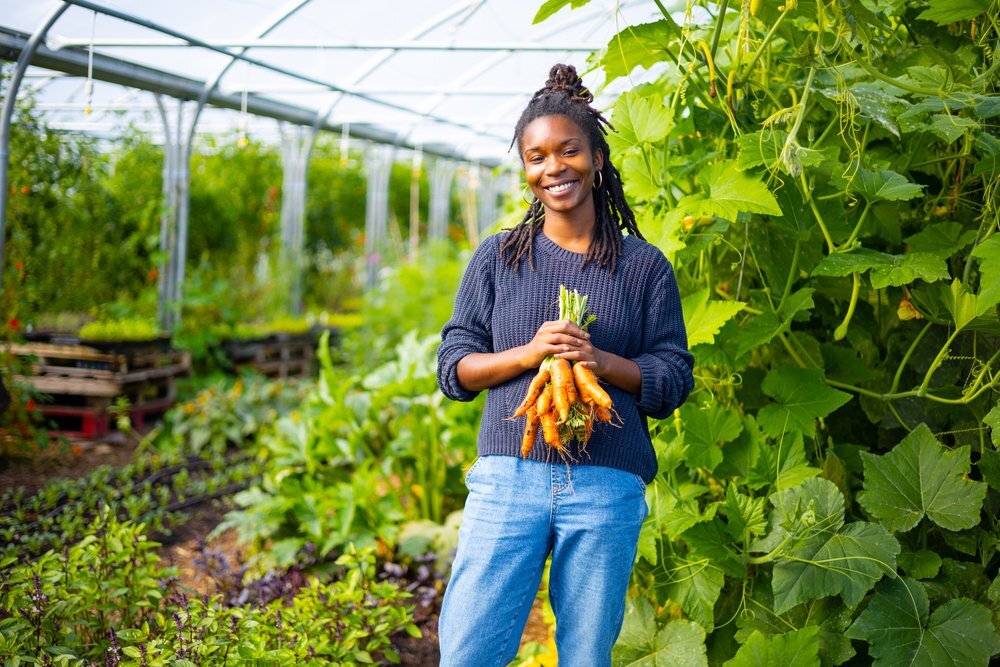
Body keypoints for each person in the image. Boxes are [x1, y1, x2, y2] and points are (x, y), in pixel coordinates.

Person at [435, 63, 694, 666]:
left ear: (597, 158)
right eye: (536, 157)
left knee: (584, 657)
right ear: (526, 169)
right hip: (508, 478)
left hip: (606, 484)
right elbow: (454, 369)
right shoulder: (498, 258)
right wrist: (532, 354)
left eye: (568, 151)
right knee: (468, 653)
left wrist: (597, 360)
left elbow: (673, 377)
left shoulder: (644, 265)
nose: (554, 167)